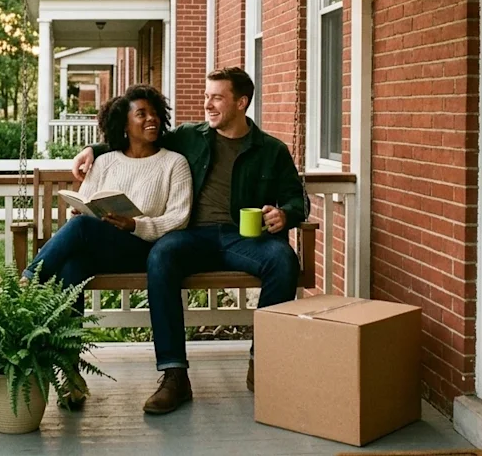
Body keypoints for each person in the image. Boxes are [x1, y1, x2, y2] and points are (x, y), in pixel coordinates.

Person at [71, 67, 308, 415]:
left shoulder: (271, 150)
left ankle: (264, 360)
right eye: (206, 96)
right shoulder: (189, 136)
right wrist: (94, 148)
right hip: (191, 235)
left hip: (244, 238)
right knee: (162, 256)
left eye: (217, 97)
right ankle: (174, 376)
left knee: (283, 259)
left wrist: (285, 214)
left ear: (241, 103)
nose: (207, 104)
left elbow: (298, 199)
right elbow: (140, 138)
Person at [23, 84, 192, 409]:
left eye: (155, 113)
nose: (151, 119)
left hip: (146, 248)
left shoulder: (174, 163)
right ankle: (72, 373)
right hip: (103, 246)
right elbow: (87, 200)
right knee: (72, 266)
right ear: (123, 125)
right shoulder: (106, 161)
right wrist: (82, 209)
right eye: (141, 114)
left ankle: (30, 278)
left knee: (82, 228)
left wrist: (136, 224)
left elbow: (179, 218)